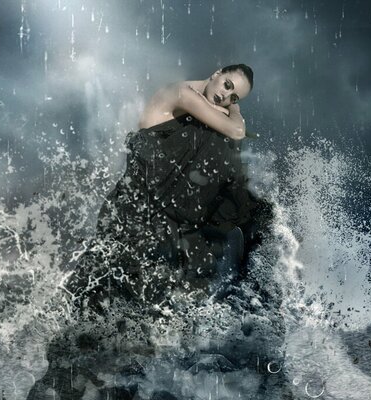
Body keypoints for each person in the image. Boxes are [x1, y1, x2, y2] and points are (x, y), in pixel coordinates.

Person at [66, 64, 274, 307]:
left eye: (234, 97)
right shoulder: (182, 94)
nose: (225, 96)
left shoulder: (203, 110)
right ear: (217, 73)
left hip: (161, 211)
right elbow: (236, 130)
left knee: (137, 298)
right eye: (227, 85)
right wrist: (236, 109)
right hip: (137, 203)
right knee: (97, 285)